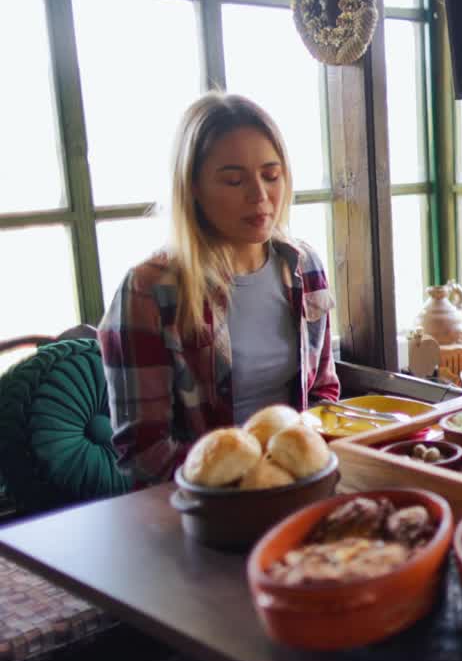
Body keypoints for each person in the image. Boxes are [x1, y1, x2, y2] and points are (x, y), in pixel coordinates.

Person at [99, 93, 339, 485]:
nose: (260, 196)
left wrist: (306, 465)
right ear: (192, 186)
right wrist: (247, 486)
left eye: (271, 175)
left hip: (299, 484)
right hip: (203, 507)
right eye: (233, 180)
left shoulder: (304, 265)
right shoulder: (149, 291)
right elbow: (143, 452)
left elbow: (323, 394)